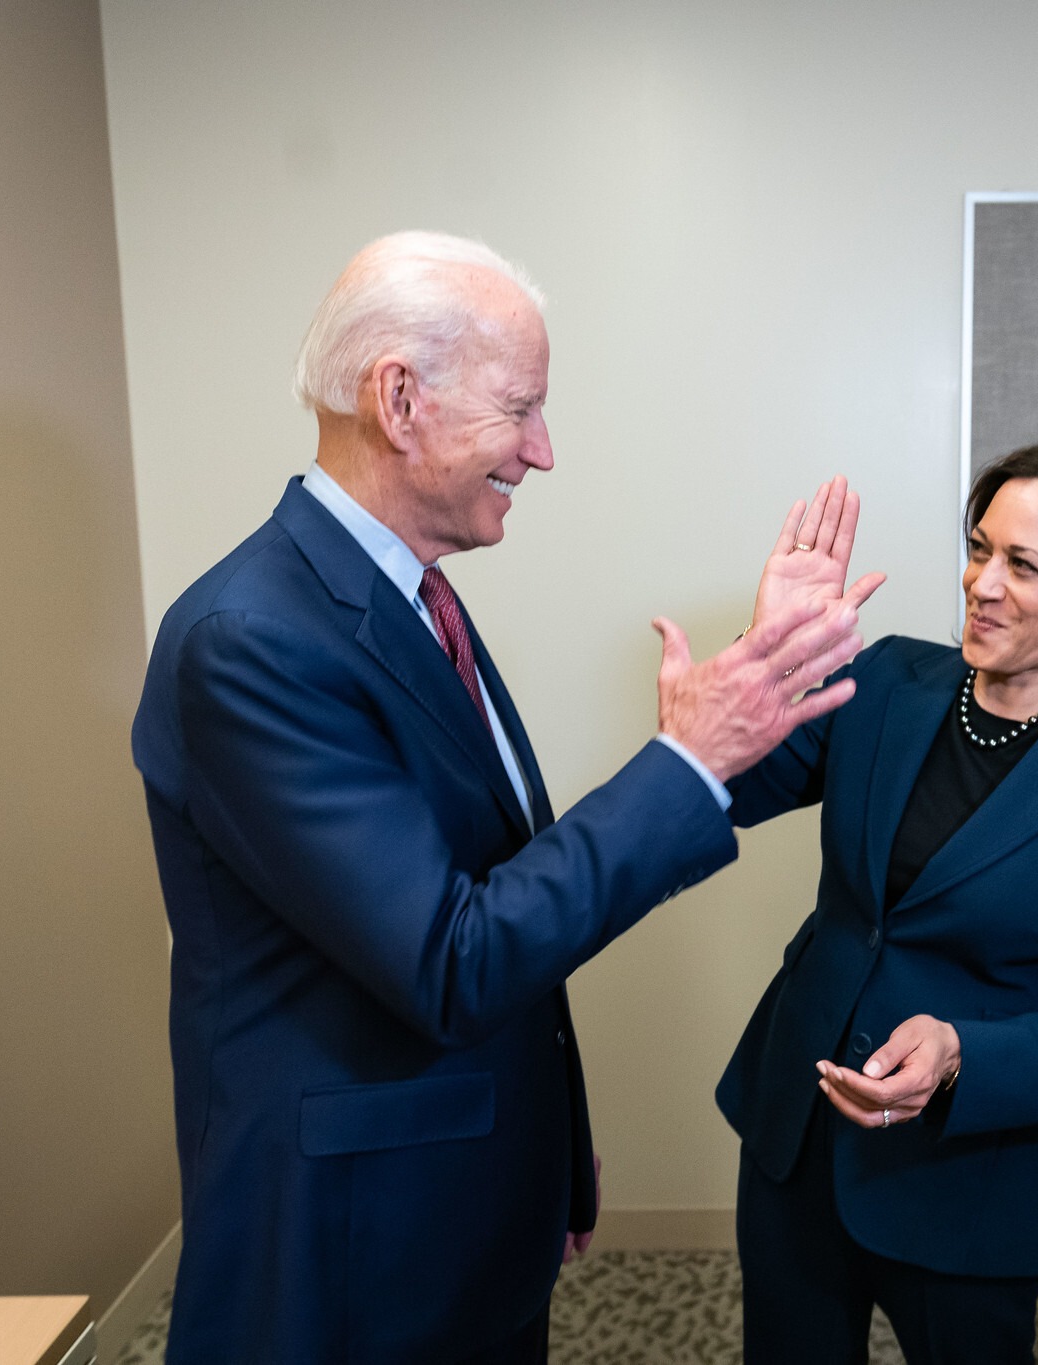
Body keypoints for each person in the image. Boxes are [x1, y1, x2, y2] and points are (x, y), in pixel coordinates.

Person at [131, 232, 873, 1365]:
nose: (543, 451)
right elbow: (452, 957)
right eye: (520, 408)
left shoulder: (410, 595)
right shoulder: (253, 641)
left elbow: (487, 886)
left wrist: (548, 1158)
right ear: (400, 400)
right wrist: (686, 761)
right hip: (349, 1247)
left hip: (462, 1199)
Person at [717, 441, 1038, 1364]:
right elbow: (726, 792)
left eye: (1022, 564)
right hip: (799, 1136)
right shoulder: (885, 683)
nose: (980, 583)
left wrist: (964, 1053)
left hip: (972, 1180)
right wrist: (768, 658)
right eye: (979, 548)